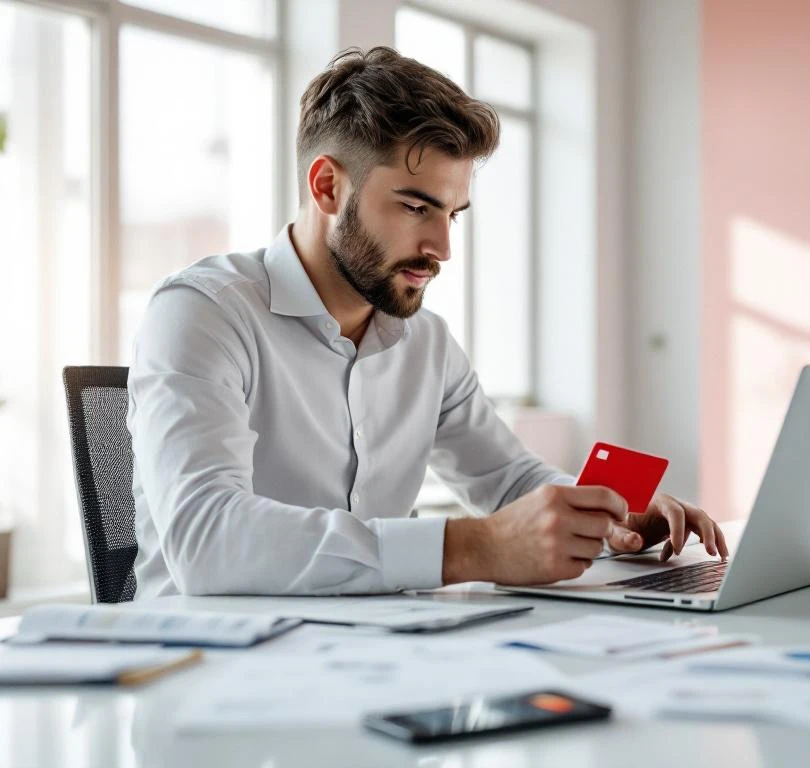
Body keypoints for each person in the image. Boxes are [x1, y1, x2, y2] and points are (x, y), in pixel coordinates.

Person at [128, 46, 728, 599]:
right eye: (416, 207)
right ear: (328, 186)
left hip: (375, 656)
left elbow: (507, 476)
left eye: (453, 215)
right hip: (211, 671)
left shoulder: (426, 341)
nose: (441, 247)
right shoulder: (202, 313)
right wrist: (472, 547)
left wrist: (612, 511)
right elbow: (206, 539)